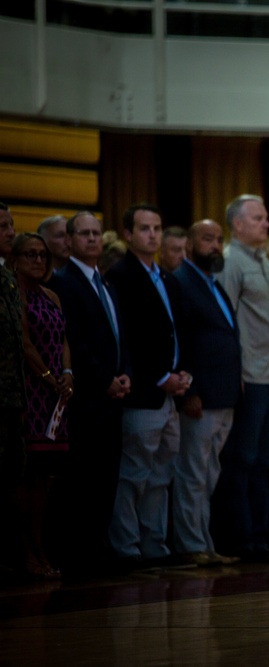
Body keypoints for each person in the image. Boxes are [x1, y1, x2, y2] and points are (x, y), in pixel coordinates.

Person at [104, 204, 190, 569]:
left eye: (156, 228)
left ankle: (155, 545)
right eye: (144, 228)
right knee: (134, 473)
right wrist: (158, 376)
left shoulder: (165, 276)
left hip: (170, 391)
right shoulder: (120, 275)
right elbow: (130, 337)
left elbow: (174, 330)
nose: (152, 235)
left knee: (161, 474)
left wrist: (182, 372)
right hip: (143, 391)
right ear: (128, 234)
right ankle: (127, 546)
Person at [52, 211, 131, 576]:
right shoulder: (64, 282)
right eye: (83, 233)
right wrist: (105, 380)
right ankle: (79, 552)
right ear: (69, 240)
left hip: (113, 395)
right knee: (84, 477)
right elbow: (77, 342)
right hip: (88, 398)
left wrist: (125, 372)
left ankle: (99, 546)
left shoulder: (106, 282)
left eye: (96, 233)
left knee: (107, 476)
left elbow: (119, 335)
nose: (92, 239)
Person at [216, 194, 269, 562]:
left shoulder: (264, 262)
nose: (266, 224)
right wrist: (235, 373)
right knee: (242, 459)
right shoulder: (231, 263)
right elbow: (225, 322)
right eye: (258, 218)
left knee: (265, 460)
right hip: (250, 376)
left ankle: (260, 535)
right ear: (237, 224)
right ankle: (240, 537)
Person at [171, 220, 242, 566]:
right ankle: (190, 544)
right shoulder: (181, 282)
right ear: (188, 243)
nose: (215, 245)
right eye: (207, 239)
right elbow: (181, 340)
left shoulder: (212, 284)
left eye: (218, 239)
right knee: (193, 472)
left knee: (209, 472)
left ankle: (204, 542)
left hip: (224, 394)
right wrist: (190, 390)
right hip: (201, 396)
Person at [11, 233, 73, 579]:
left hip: (56, 397)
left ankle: (40, 547)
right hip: (30, 393)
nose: (38, 261)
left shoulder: (51, 296)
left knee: (47, 479)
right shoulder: (12, 296)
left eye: (43, 256)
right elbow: (24, 343)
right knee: (27, 477)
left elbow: (63, 338)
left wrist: (67, 373)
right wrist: (49, 377)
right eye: (30, 255)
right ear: (15, 259)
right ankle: (26, 553)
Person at [0, 204, 28, 570]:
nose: (10, 232)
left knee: (11, 481)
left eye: (10, 225)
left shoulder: (8, 276)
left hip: (12, 398)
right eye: (1, 226)